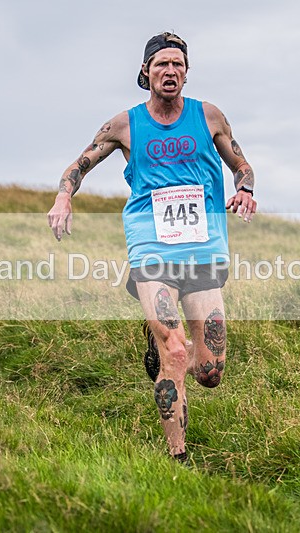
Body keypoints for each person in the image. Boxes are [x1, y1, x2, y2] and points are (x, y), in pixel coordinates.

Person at [47, 32, 257, 462]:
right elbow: (80, 163)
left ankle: (155, 333)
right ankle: (178, 459)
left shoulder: (209, 116)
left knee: (210, 370)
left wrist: (246, 189)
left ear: (186, 72)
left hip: (203, 249)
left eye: (178, 64)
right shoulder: (125, 124)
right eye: (162, 64)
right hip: (152, 250)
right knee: (176, 353)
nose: (171, 71)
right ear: (146, 72)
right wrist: (64, 196)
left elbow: (241, 163)